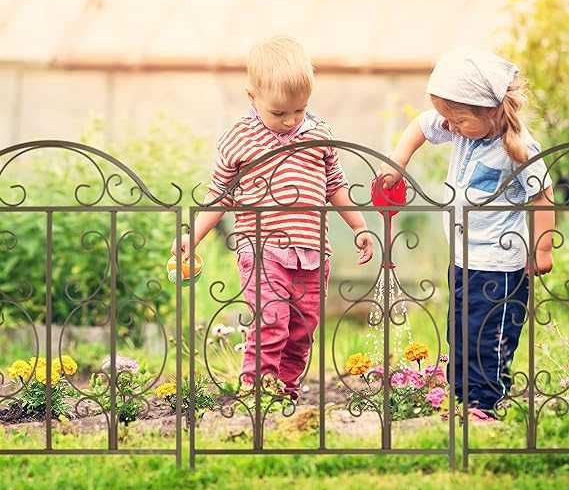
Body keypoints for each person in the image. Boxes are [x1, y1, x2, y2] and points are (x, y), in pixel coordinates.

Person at [172, 35, 374, 400]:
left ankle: (287, 390)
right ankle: (257, 389)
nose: (290, 120)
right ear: (252, 97)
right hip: (261, 247)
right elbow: (220, 194)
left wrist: (359, 226)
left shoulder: (319, 134)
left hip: (312, 251)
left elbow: (335, 185)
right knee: (272, 319)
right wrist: (193, 236)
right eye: (278, 113)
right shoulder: (239, 138)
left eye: (299, 110)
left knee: (302, 327)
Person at [380, 47, 554, 420]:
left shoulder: (519, 149)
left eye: (458, 119)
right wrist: (397, 165)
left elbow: (543, 196)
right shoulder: (462, 129)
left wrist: (542, 251)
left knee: (486, 336)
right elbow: (418, 128)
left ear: (490, 110)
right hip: (463, 259)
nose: (450, 127)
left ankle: (485, 405)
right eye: (448, 119)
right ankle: (462, 398)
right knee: (458, 330)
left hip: (499, 265)